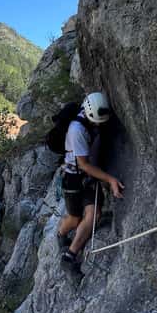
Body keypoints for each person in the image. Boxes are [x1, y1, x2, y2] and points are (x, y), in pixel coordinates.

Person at [58, 92, 124, 270]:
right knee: (74, 218)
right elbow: (84, 165)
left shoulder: (93, 115)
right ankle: (61, 234)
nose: (97, 125)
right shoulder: (76, 131)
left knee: (94, 215)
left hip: (87, 176)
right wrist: (110, 179)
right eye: (96, 122)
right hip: (73, 177)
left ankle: (69, 256)